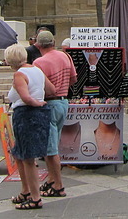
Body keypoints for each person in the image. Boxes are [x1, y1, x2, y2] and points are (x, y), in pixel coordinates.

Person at [5, 44, 54, 211]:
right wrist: (40, 98)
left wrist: (36, 102)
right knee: (20, 153)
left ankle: (35, 197)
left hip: (26, 115)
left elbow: (26, 98)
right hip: (39, 115)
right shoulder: (37, 70)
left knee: (28, 157)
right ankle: (26, 191)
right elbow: (51, 89)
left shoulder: (19, 74)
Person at [34, 30, 77, 198]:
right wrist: (63, 84)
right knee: (53, 143)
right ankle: (51, 179)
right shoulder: (65, 56)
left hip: (49, 103)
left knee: (50, 149)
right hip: (63, 102)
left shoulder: (39, 62)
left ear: (38, 45)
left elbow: (37, 86)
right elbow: (74, 78)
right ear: (53, 42)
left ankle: (58, 185)